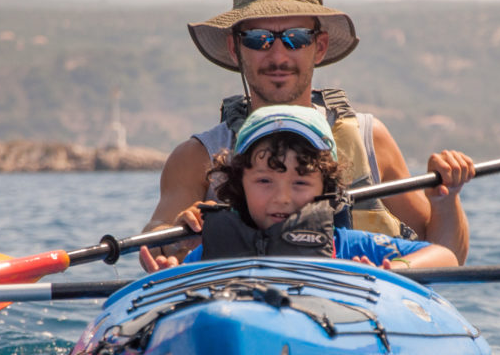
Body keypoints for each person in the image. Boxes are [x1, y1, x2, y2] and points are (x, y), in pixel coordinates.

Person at [143, 0, 475, 264]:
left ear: (319, 47)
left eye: (296, 38)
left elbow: (448, 255)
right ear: (235, 48)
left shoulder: (369, 139)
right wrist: (176, 238)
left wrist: (447, 199)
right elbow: (159, 239)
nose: (277, 55)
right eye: (258, 39)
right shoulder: (195, 157)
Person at [139, 106, 461, 273]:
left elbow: (446, 257)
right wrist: (169, 274)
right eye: (265, 181)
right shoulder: (210, 252)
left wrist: (389, 273)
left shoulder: (345, 246)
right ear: (239, 185)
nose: (282, 198)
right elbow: (177, 282)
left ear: (327, 188)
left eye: (301, 182)